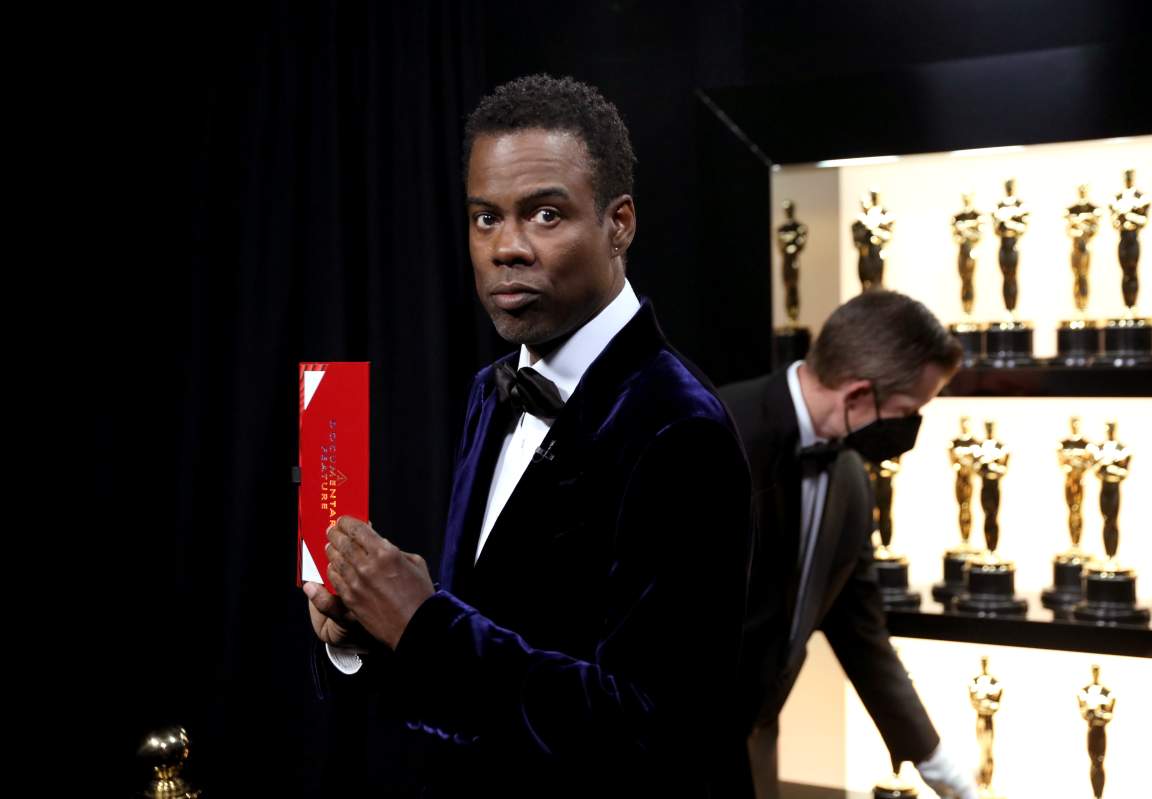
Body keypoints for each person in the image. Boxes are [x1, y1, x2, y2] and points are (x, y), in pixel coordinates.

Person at [302, 74, 753, 797]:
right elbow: (482, 671)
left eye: (545, 215)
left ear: (620, 224)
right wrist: (372, 634)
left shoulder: (681, 424)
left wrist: (424, 624)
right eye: (486, 218)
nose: (506, 248)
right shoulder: (493, 388)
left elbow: (657, 731)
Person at [720, 290, 977, 799]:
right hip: (661, 753)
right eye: (908, 412)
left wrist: (940, 766)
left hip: (756, 745)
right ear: (859, 395)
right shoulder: (711, 430)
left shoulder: (851, 479)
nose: (911, 430)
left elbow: (859, 626)